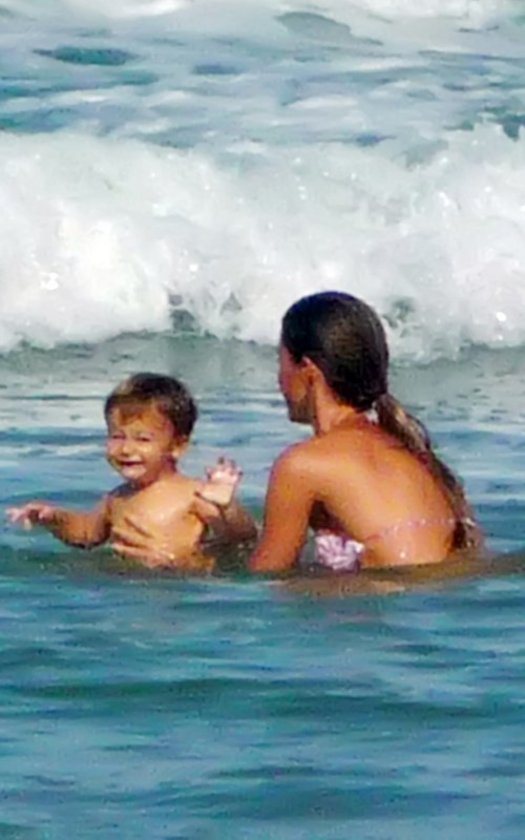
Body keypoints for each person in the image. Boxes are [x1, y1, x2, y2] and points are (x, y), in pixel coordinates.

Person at [249, 291, 482, 575]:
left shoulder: (303, 464)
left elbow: (266, 576)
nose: (279, 379)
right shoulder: (408, 451)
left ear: (308, 370)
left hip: (391, 592)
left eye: (281, 361)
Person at [7, 373, 256, 572]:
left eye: (143, 439)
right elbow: (86, 534)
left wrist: (228, 507)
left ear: (177, 446)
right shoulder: (117, 498)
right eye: (117, 436)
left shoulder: (193, 494)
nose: (126, 449)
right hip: (126, 587)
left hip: (180, 581)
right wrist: (53, 518)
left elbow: (242, 537)